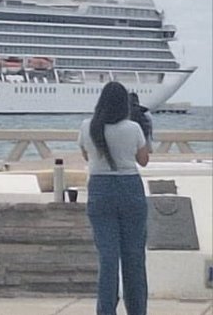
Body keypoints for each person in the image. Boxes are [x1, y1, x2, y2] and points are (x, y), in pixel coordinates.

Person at [78, 81, 152, 315]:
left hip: (100, 189)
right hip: (130, 188)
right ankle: (137, 310)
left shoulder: (87, 126)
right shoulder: (133, 128)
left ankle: (106, 310)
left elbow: (86, 155)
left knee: (108, 258)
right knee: (134, 258)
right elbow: (143, 160)